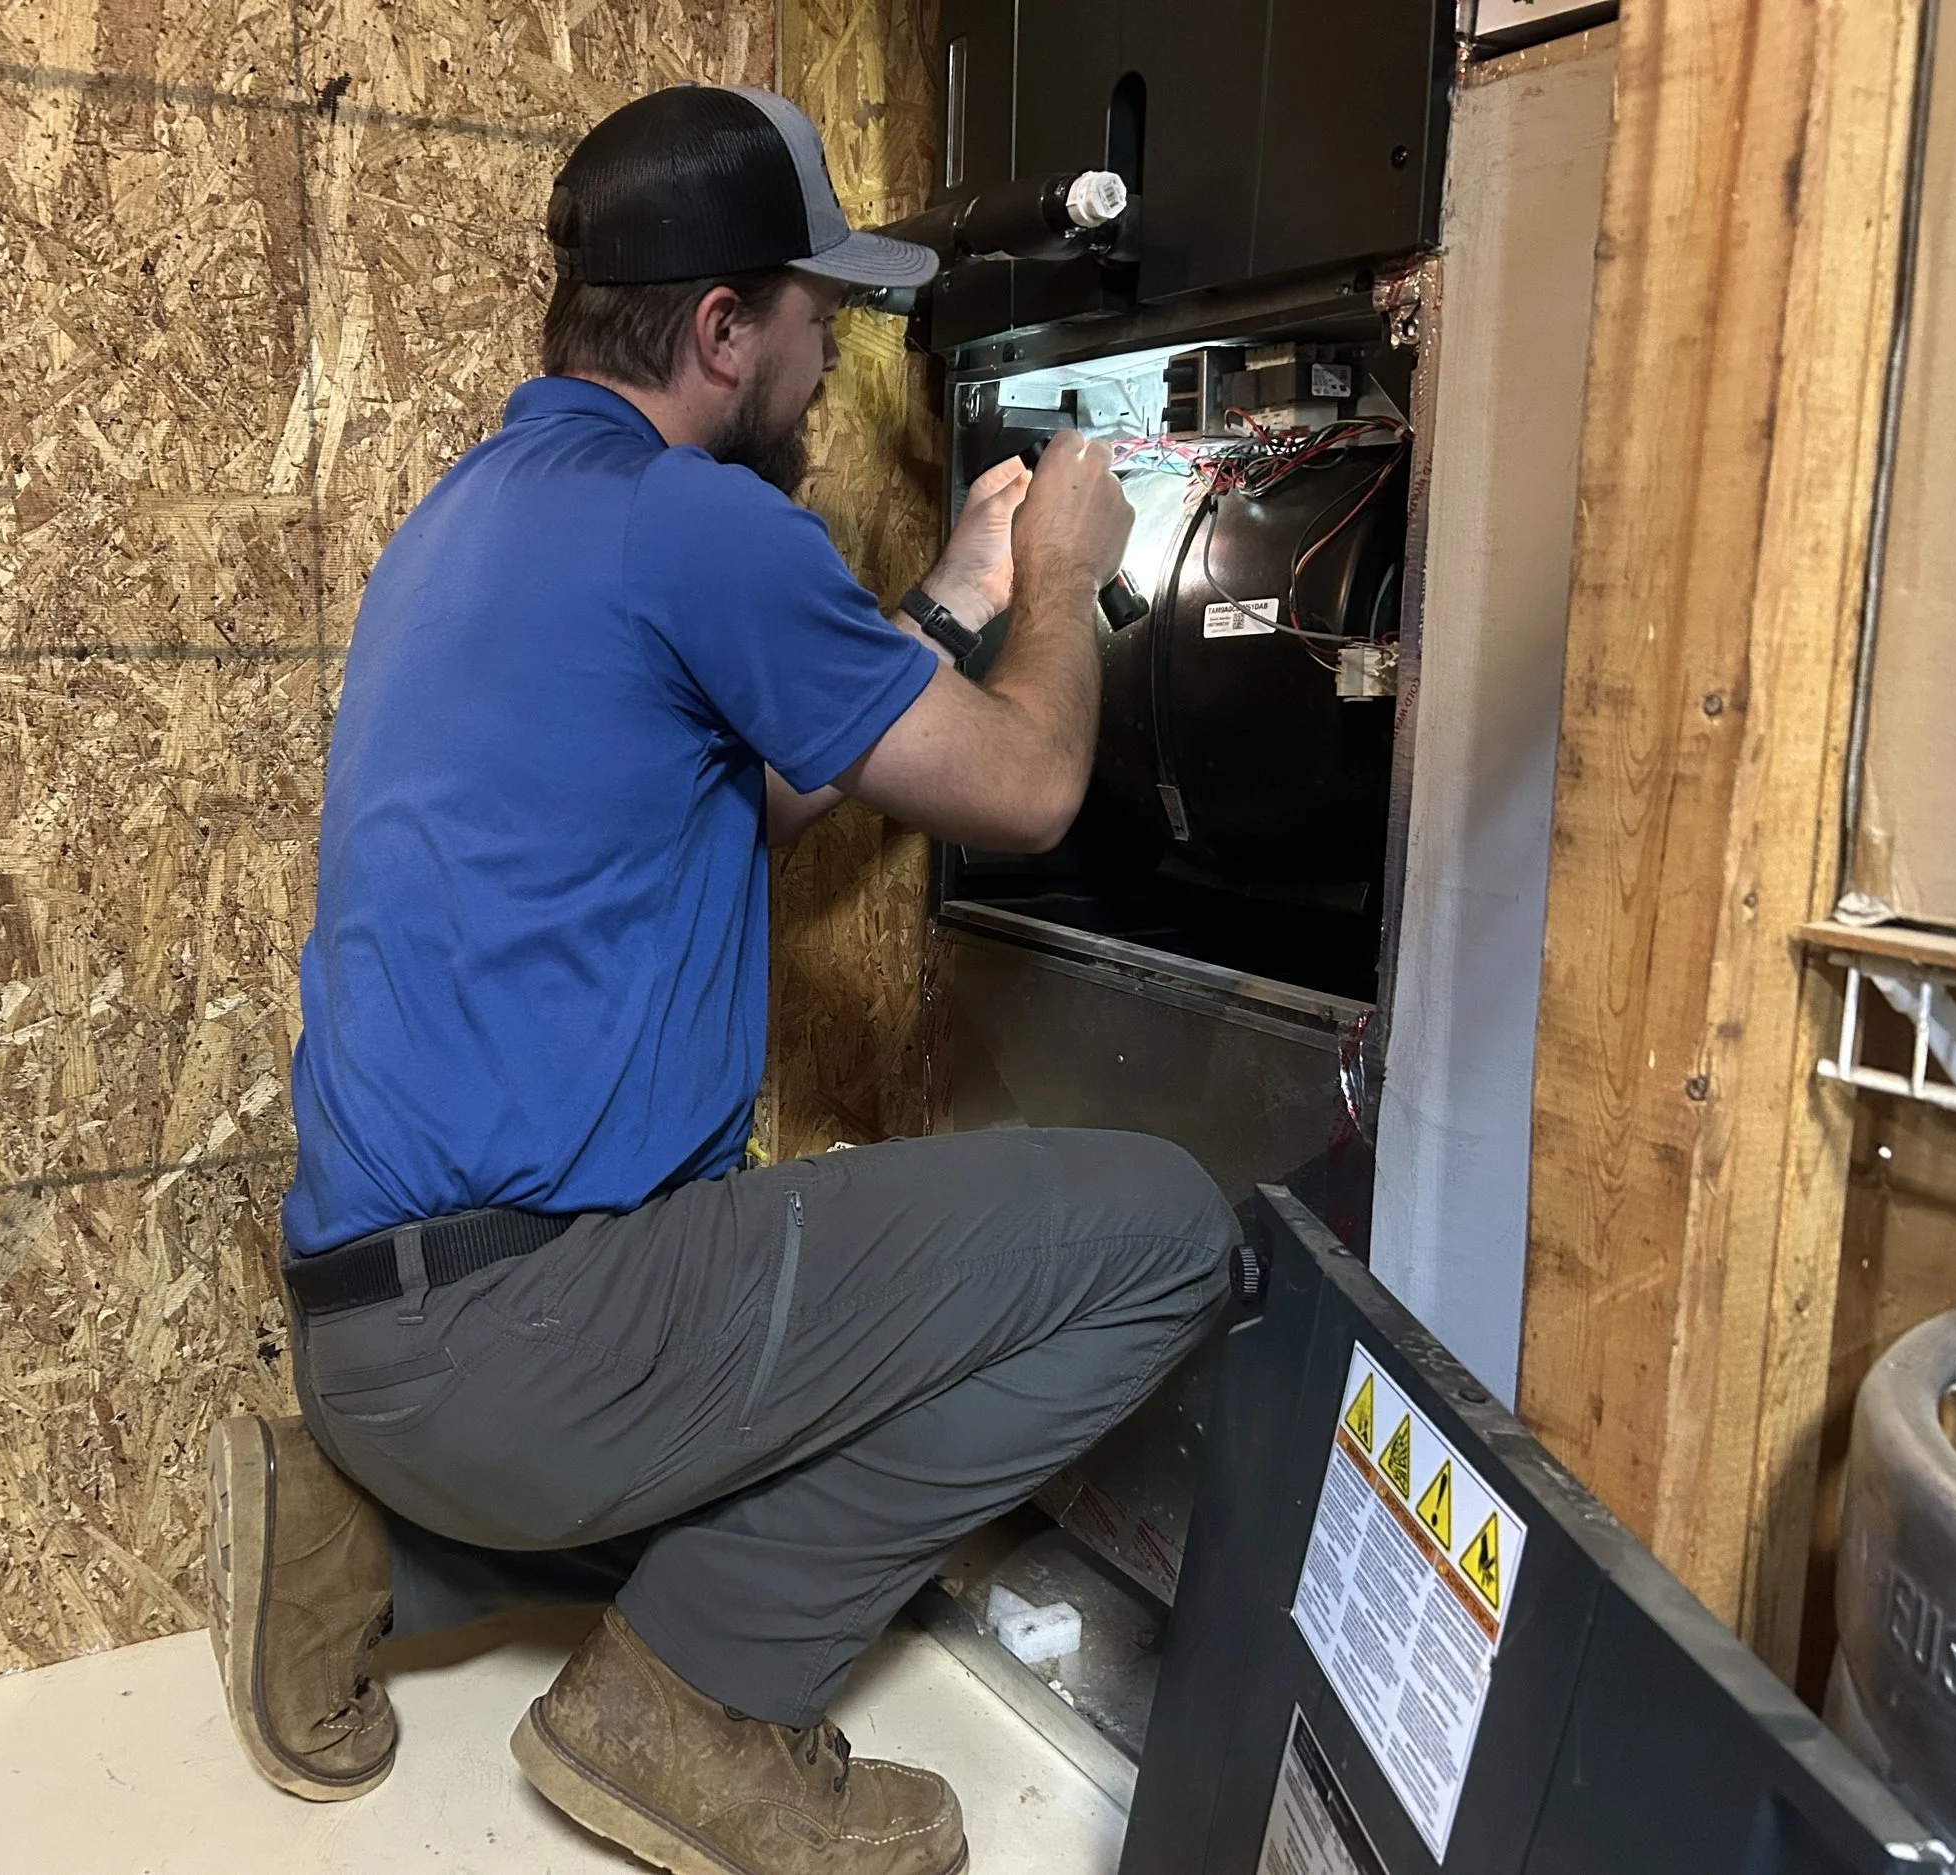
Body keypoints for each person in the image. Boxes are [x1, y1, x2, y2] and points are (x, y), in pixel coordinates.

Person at [205, 82, 1239, 1875]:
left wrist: (953, 599)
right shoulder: (695, 523)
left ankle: (359, 1536)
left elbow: (738, 791)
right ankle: (693, 1699)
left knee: (772, 1440)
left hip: (379, 1354)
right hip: (536, 1339)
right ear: (718, 328)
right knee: (1166, 1233)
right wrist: (1069, 573)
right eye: (816, 316)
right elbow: (1027, 787)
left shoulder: (470, 518)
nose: (831, 361)